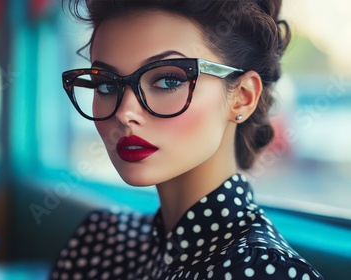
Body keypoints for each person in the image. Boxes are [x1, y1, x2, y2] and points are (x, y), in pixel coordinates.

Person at [50, 0, 324, 279]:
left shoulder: (265, 271)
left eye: (168, 81)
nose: (124, 113)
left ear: (242, 97)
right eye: (105, 85)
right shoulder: (101, 242)